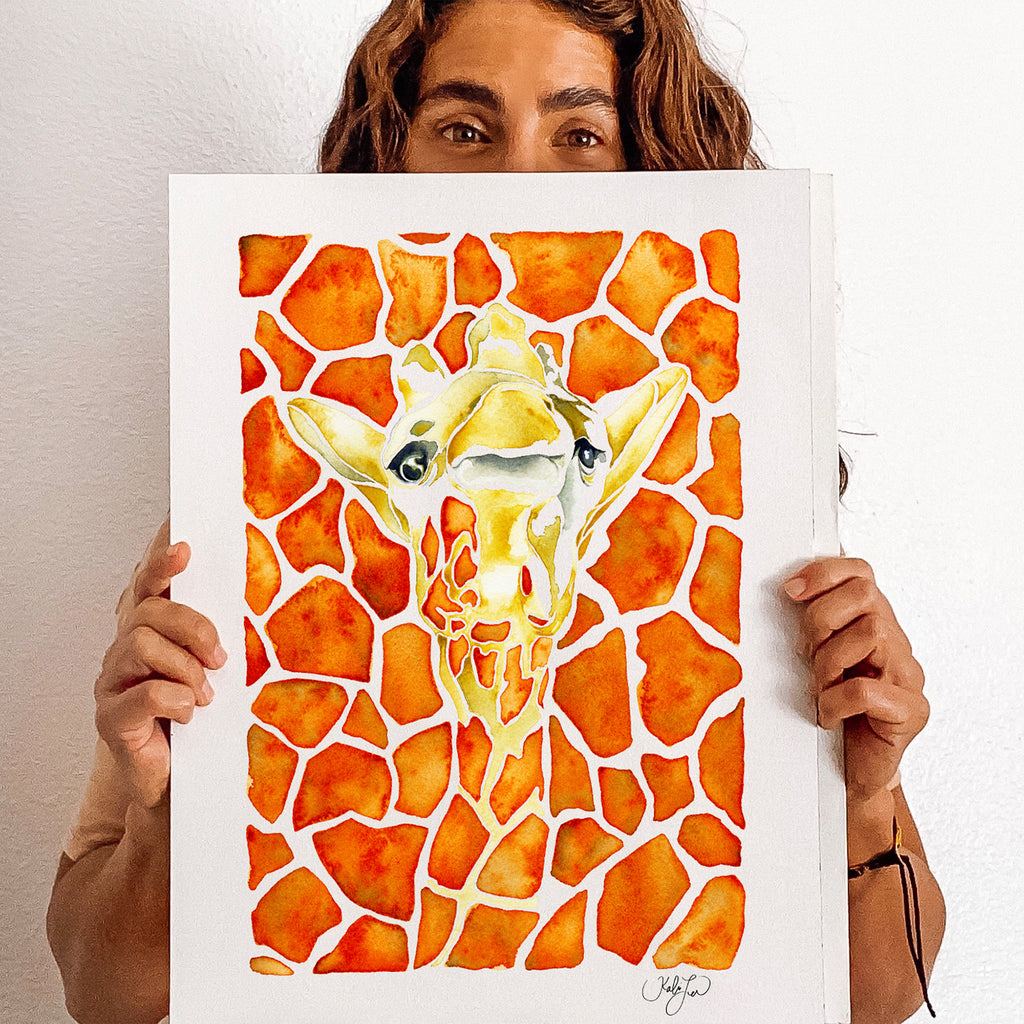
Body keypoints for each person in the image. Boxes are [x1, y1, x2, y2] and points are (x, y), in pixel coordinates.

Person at [46, 1, 945, 1022]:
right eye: (465, 129)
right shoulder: (244, 526)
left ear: (649, 162)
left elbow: (879, 996)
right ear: (392, 156)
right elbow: (102, 994)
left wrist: (861, 795)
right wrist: (178, 817)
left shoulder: (743, 529)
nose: (522, 178)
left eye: (581, 134)